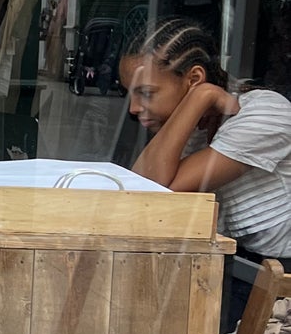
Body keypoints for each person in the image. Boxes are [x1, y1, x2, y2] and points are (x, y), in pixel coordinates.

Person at [119, 16, 291, 315]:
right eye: (130, 94)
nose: (134, 109)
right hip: (237, 270)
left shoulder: (265, 113)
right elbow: (140, 192)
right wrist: (199, 99)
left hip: (281, 282)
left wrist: (201, 95)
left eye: (145, 93)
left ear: (194, 78)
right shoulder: (183, 126)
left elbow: (157, 191)